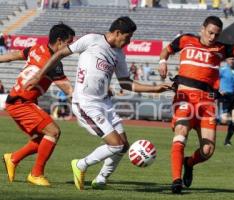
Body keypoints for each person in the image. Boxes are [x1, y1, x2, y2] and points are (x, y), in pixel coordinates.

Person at [24, 16, 171, 190]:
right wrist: (39, 75)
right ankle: (81, 165)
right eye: (128, 37)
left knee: (123, 146)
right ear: (117, 33)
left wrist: (155, 89)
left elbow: (126, 83)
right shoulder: (92, 40)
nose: (129, 42)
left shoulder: (119, 54)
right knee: (115, 145)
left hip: (105, 104)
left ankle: (101, 179)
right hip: (86, 104)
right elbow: (60, 53)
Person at [158, 12, 234, 194]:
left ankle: (189, 162)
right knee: (180, 135)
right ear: (202, 29)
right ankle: (176, 181)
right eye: (210, 32)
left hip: (207, 104)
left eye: (217, 34)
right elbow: (167, 50)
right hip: (185, 98)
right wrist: (163, 61)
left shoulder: (220, 49)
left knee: (208, 150)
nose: (212, 37)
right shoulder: (185, 39)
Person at [1, 23, 75, 186]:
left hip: (18, 100)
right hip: (21, 102)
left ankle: (13, 158)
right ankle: (36, 174)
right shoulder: (54, 62)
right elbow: (68, 89)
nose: (71, 48)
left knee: (42, 138)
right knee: (53, 132)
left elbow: (13, 56)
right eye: (69, 43)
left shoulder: (36, 48)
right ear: (59, 41)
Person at [219, 57, 234, 146]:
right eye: (230, 59)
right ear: (226, 60)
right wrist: (219, 90)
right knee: (224, 120)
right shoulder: (222, 70)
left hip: (233, 96)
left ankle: (227, 141)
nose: (232, 61)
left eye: (233, 59)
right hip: (223, 96)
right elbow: (214, 80)